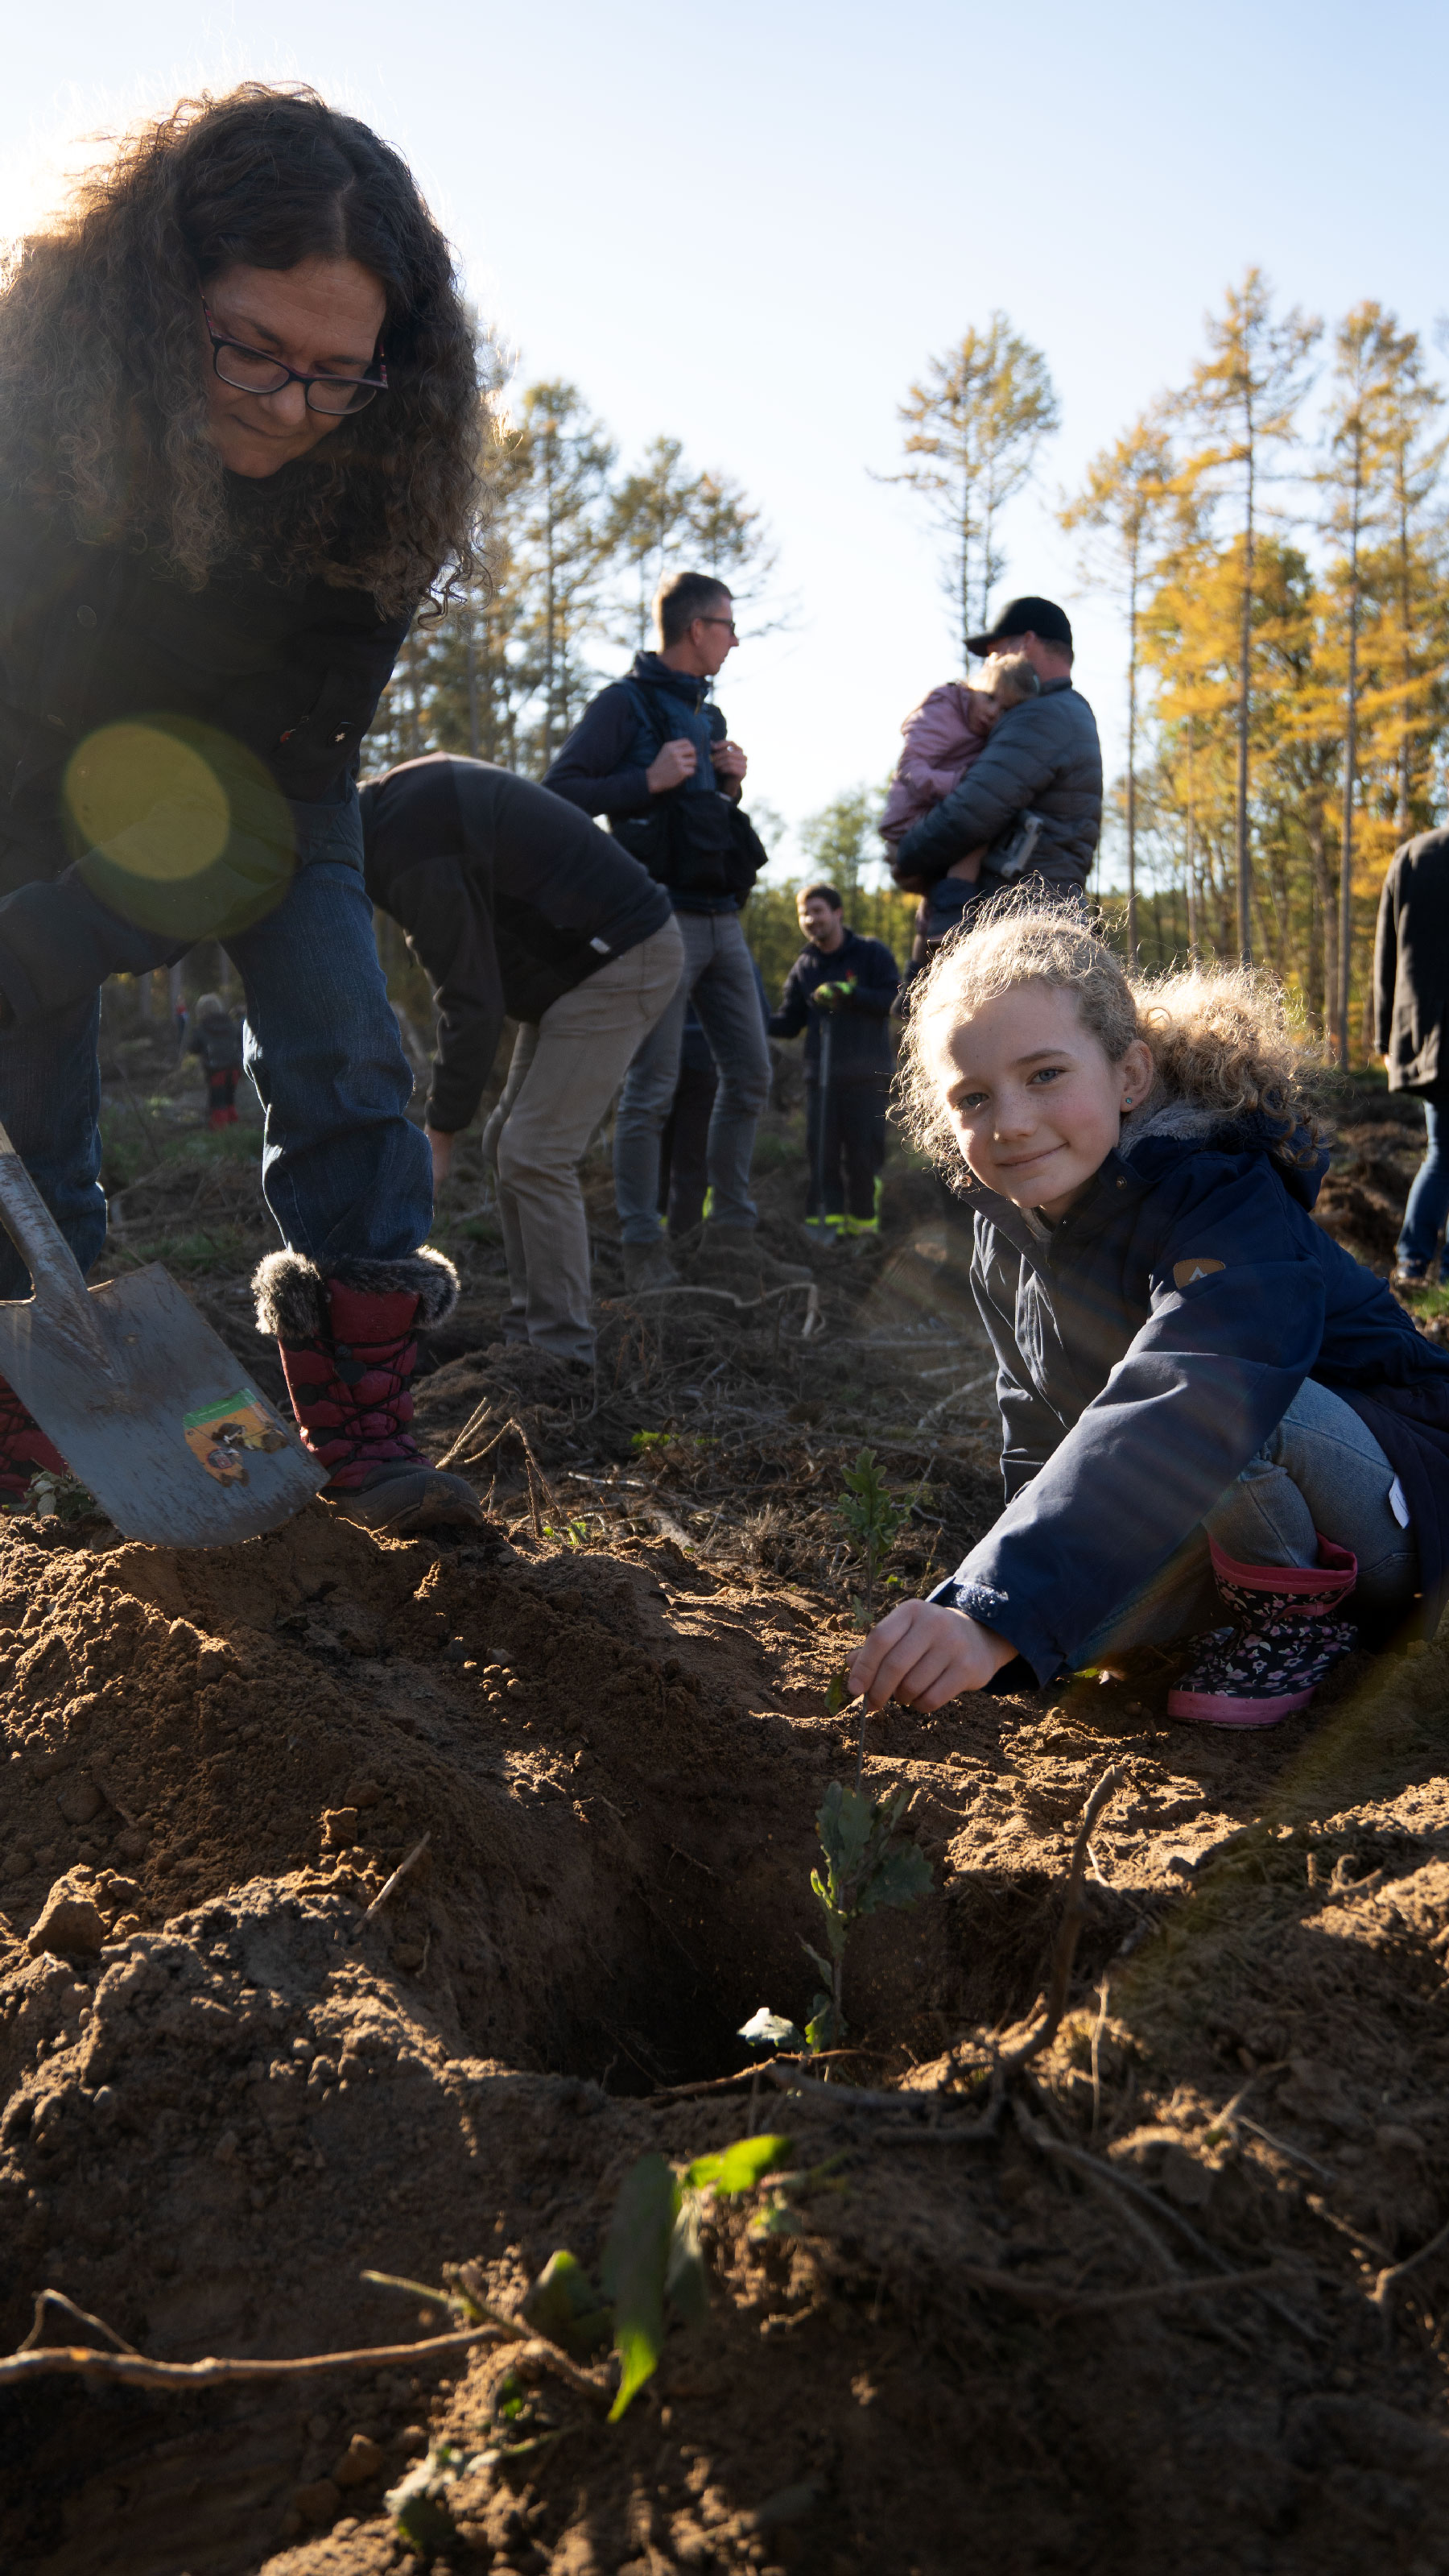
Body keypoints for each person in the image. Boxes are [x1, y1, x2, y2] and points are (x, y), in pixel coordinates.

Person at [0, 86, 483, 1526]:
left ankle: (365, 1433)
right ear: (163, 300)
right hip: (29, 754)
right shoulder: (33, 416)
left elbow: (274, 802)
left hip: (264, 778)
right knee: (28, 1078)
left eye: (338, 372)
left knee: (347, 1048)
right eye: (254, 349)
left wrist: (57, 933)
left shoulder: (388, 477)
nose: (290, 404)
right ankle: (39, 1411)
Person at [848, 900, 1449, 1728]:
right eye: (974, 1097)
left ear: (1129, 1075)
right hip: (1213, 1501)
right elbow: (1036, 1427)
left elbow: (1191, 1391)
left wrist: (1003, 1601)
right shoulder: (1006, 1233)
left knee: (1230, 1409)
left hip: (1397, 1500)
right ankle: (1234, 1598)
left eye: (1045, 1075)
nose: (1011, 1122)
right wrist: (995, 1605)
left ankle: (1298, 1618)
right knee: (1053, 1640)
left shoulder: (1221, 1192)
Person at [358, 755, 683, 1369]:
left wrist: (439, 1134)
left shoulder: (406, 843)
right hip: (574, 970)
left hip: (620, 955)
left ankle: (562, 1353)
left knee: (535, 1151)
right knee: (506, 1141)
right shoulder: (395, 810)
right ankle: (529, 1332)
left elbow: (471, 998)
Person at [545, 570, 795, 1292]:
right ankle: (642, 1248)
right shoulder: (622, 705)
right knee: (652, 1087)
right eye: (728, 626)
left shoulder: (706, 714)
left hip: (723, 919)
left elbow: (704, 816)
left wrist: (731, 785)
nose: (735, 641)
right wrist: (645, 781)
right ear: (696, 628)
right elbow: (559, 793)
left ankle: (731, 1236)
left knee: (751, 1074)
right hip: (658, 922)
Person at [888, 600, 1103, 928]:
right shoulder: (1064, 711)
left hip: (1021, 923)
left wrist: (906, 853)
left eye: (995, 652)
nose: (990, 664)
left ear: (1026, 642)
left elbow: (973, 812)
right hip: (1036, 914)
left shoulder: (1042, 714)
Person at [883, 655, 1040, 959]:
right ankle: (950, 928)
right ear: (974, 686)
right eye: (989, 697)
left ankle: (916, 977)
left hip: (933, 815)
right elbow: (911, 768)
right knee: (975, 833)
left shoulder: (986, 736)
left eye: (1004, 710)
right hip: (907, 820)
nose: (992, 712)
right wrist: (963, 784)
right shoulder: (943, 709)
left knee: (932, 905)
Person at [770, 887, 899, 1238]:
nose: (811, 919)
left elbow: (893, 999)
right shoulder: (804, 966)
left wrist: (850, 993)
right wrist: (749, 1017)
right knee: (822, 1155)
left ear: (837, 913)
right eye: (805, 913)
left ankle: (863, 1230)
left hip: (866, 1076)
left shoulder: (871, 953)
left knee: (863, 1156)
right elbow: (790, 1021)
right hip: (821, 1078)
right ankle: (824, 1228)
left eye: (818, 911)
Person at [1374, 825, 1449, 1288]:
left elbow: (1386, 953)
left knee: (1442, 1152)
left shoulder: (1411, 856)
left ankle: (1412, 1264)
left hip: (1426, 1032)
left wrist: (1385, 1037)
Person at [187, 991, 245, 1127]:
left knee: (217, 1100)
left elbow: (193, 1048)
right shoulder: (231, 1023)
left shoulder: (201, 1028)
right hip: (234, 1067)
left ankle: (220, 1129)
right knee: (230, 1098)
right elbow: (241, 1041)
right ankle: (234, 1125)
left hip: (215, 1070)